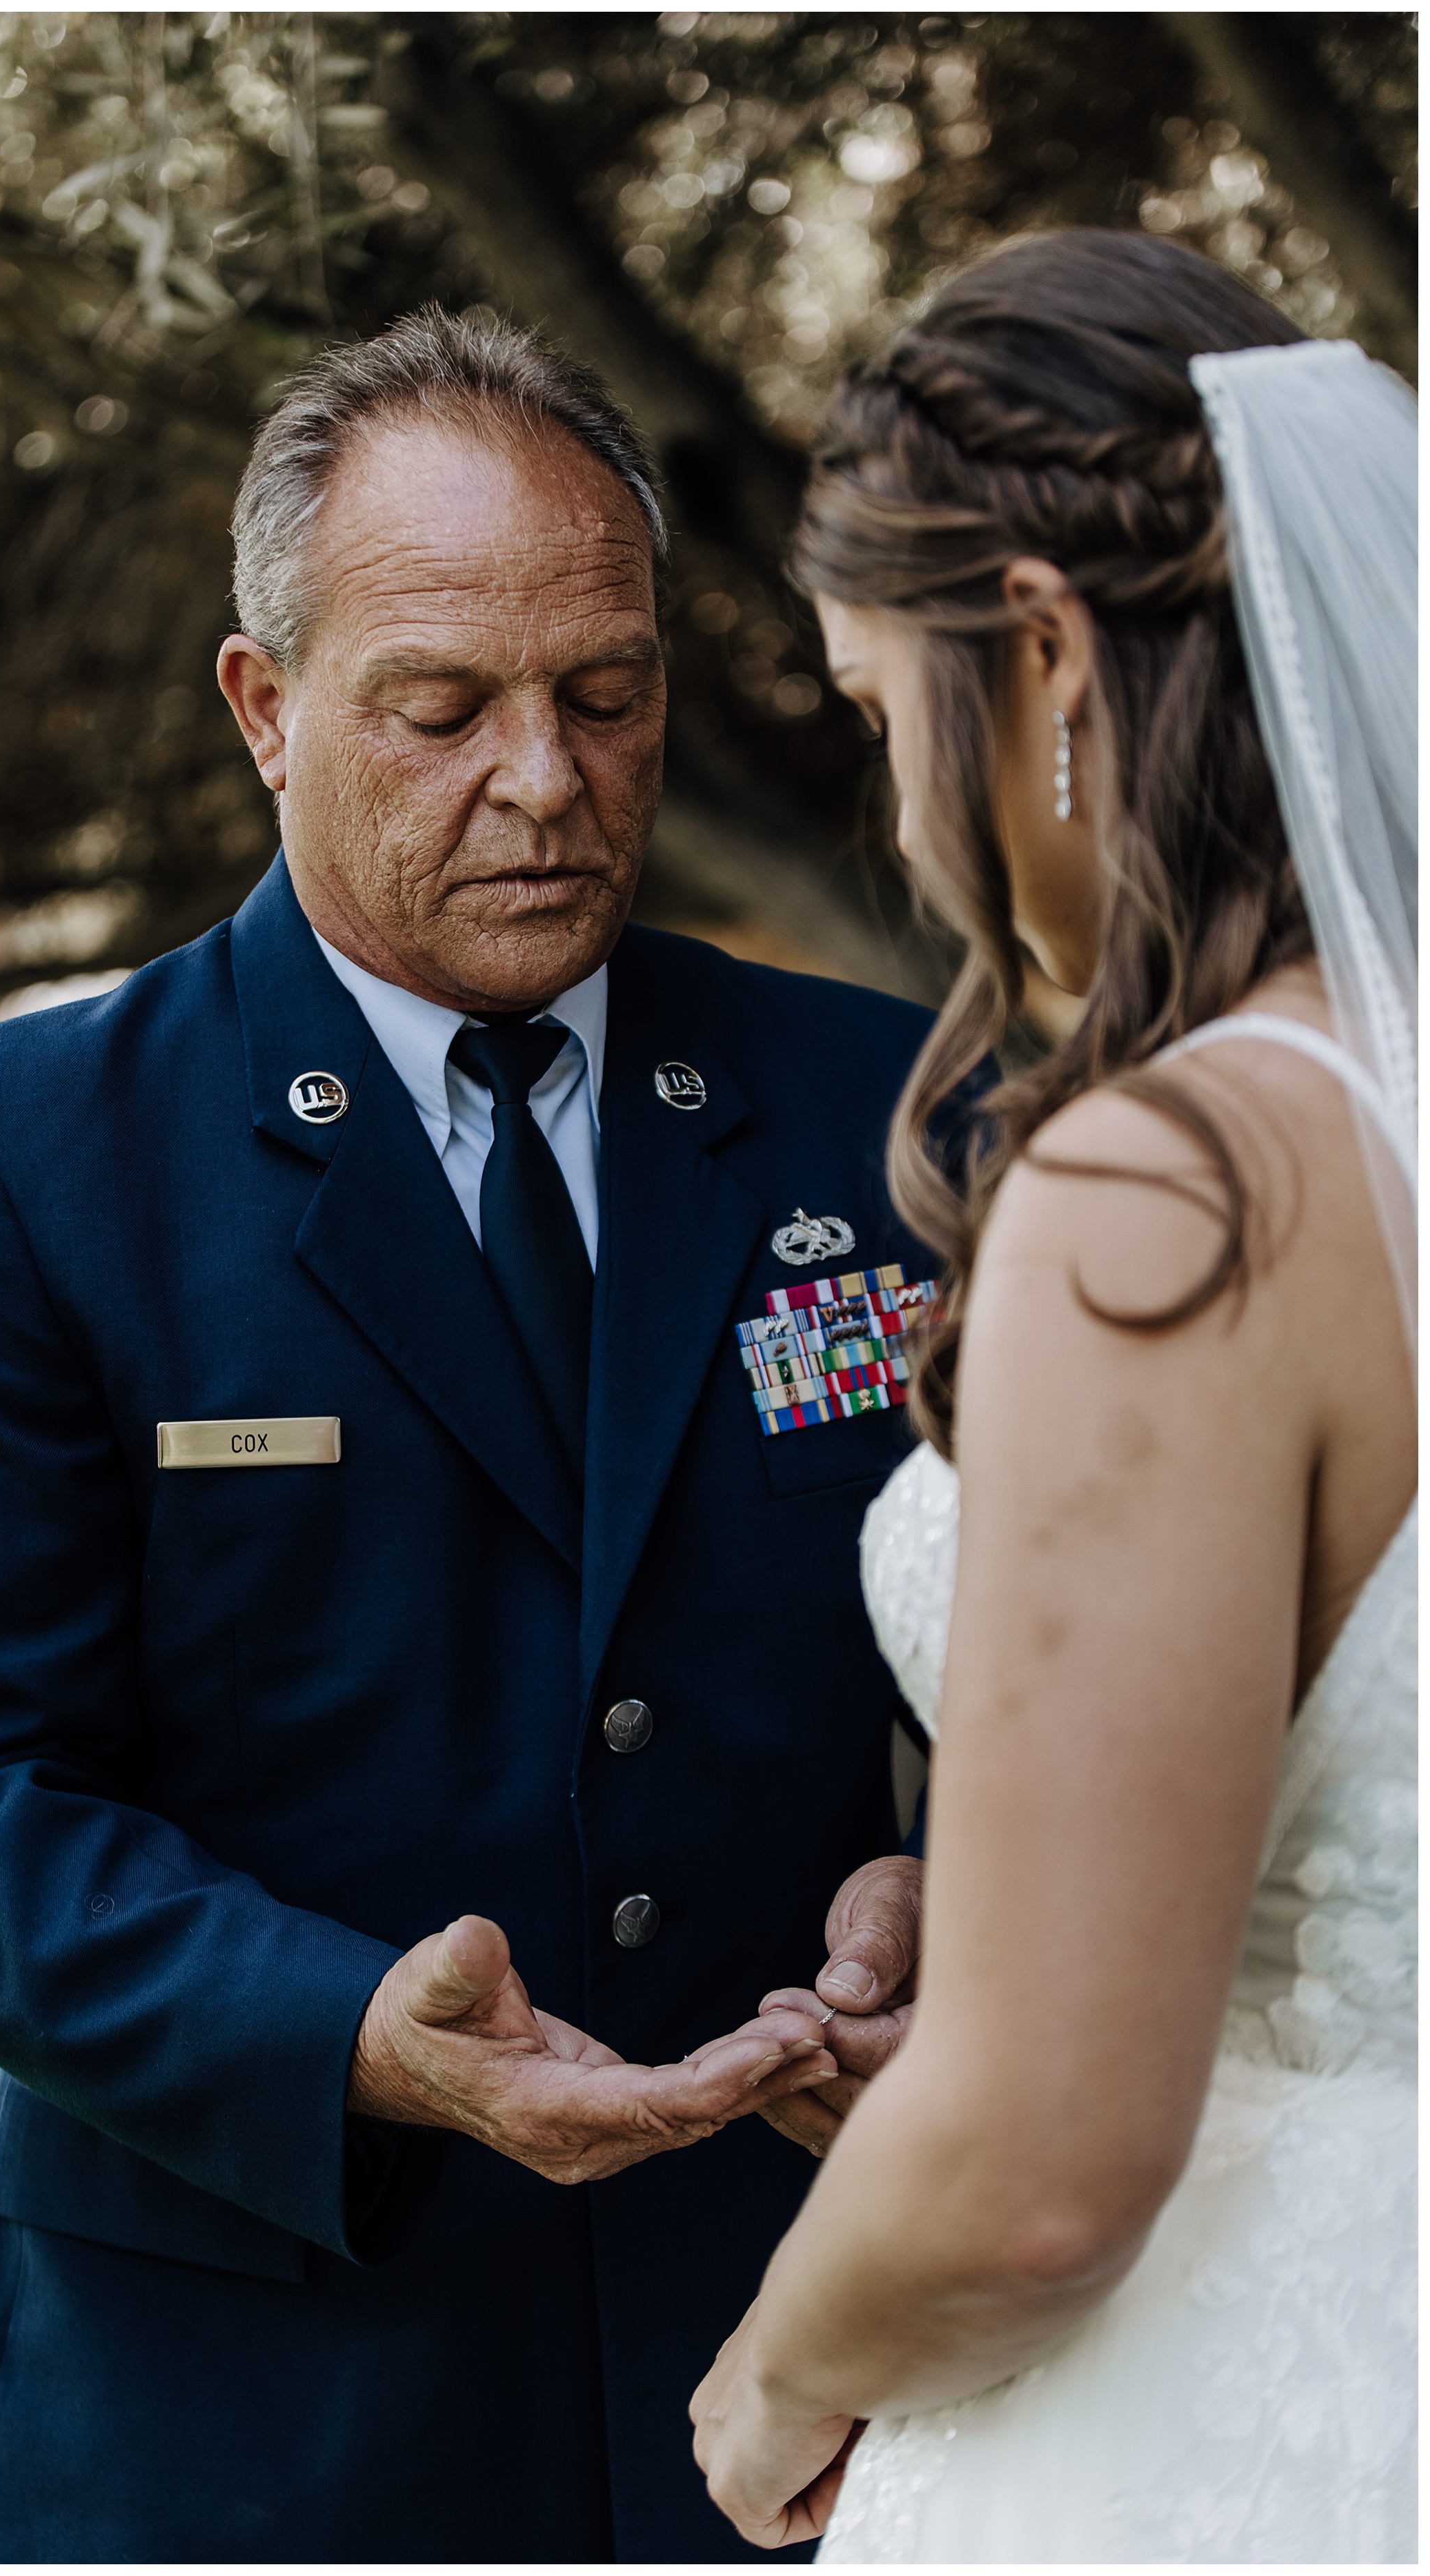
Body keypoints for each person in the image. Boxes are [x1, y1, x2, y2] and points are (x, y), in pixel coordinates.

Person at [0, 308, 941, 2564]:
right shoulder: (27, 1157)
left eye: (605, 694)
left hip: (791, 2389)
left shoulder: (879, 1105)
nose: (544, 779)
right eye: (440, 710)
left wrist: (954, 1902)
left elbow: (1045, 1665)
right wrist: (348, 2031)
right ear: (265, 707)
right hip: (244, 2428)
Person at [690, 230, 1416, 2562]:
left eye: (884, 715)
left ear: (1039, 650)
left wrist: (768, 2382)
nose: (906, 827)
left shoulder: (1172, 1191)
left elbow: (1033, 2179)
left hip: (1253, 2418)